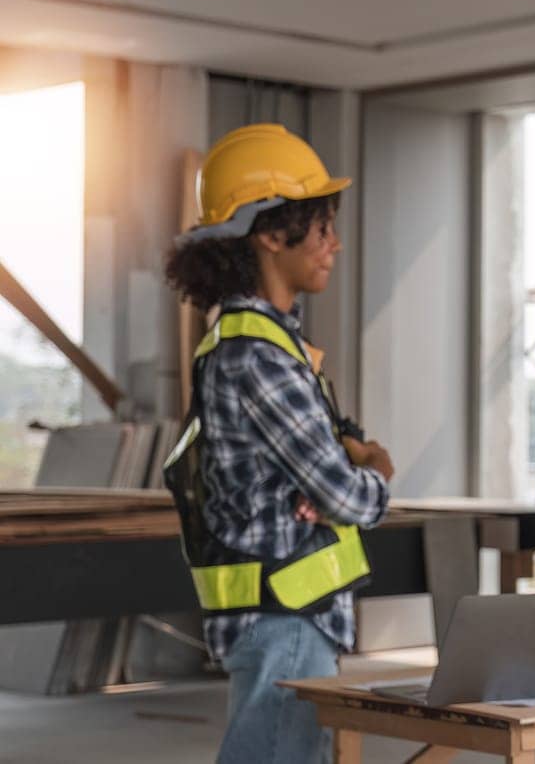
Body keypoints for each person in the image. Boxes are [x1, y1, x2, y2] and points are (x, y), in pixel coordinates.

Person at [162, 123, 394, 763]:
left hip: (290, 613)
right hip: (285, 616)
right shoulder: (257, 356)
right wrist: (374, 473)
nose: (334, 245)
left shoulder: (266, 345)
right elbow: (348, 493)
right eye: (320, 228)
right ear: (270, 233)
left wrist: (330, 485)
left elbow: (320, 484)